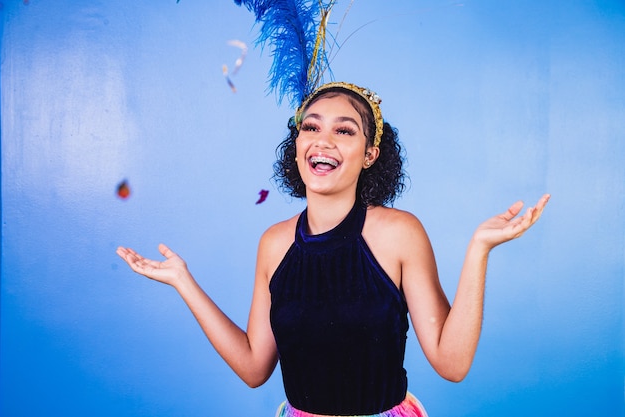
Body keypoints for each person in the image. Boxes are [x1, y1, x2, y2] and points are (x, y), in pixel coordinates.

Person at [116, 81, 550, 417]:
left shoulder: (399, 232)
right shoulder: (274, 243)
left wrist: (479, 250)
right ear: (298, 145)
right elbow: (254, 367)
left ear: (369, 154)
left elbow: (451, 364)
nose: (323, 140)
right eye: (311, 127)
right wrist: (182, 282)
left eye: (344, 130)